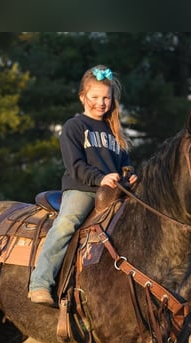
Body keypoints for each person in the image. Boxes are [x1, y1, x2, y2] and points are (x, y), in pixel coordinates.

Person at [28, 65, 138, 306]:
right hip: (83, 189)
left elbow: (124, 163)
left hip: (114, 192)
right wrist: (100, 178)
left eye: (106, 97)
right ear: (83, 97)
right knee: (66, 224)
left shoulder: (114, 131)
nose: (101, 102)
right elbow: (75, 165)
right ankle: (40, 282)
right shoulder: (74, 127)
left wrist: (129, 176)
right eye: (95, 97)